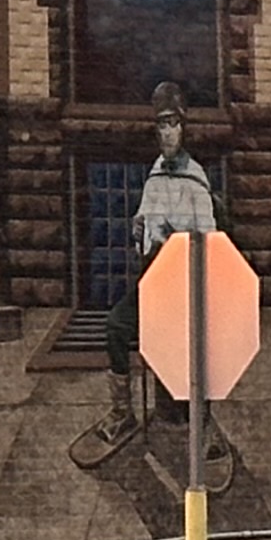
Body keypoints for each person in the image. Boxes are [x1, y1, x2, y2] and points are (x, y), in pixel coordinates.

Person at [105, 86, 218, 436]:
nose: (166, 133)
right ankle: (122, 413)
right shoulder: (155, 175)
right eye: (161, 126)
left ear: (184, 128)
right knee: (116, 326)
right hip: (155, 279)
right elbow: (145, 222)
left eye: (172, 124)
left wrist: (178, 240)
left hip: (186, 281)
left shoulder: (195, 180)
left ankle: (203, 425)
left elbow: (210, 241)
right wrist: (140, 228)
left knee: (197, 343)